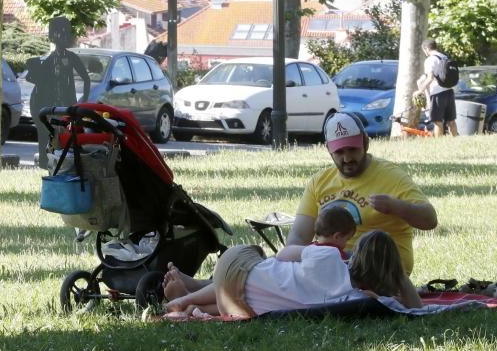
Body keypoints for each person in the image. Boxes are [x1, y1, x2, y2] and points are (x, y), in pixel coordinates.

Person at [285, 112, 437, 277]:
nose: (347, 158)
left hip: (380, 273)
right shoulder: (319, 182)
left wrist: (396, 206)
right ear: (328, 149)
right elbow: (299, 237)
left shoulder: (392, 176)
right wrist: (289, 268)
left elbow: (429, 220)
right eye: (340, 152)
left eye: (353, 149)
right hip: (332, 271)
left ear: (366, 143)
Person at [164, 230, 421, 318]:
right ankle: (190, 296)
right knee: (254, 291)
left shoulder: (329, 255)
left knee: (260, 268)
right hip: (242, 307)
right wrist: (399, 278)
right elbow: (416, 309)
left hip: (236, 265)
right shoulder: (357, 300)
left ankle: (186, 298)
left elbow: (285, 254)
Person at [26, 16, 90, 169]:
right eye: (59, 34)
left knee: (66, 134)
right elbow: (35, 79)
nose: (63, 38)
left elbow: (86, 79)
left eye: (65, 34)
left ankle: (63, 160)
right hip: (48, 104)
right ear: (53, 36)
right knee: (46, 134)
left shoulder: (71, 57)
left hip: (66, 104)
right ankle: (46, 161)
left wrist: (83, 100)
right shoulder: (47, 60)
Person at [278, 205, 355, 261]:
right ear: (337, 236)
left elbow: (280, 255)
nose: (346, 244)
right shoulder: (336, 253)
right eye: (347, 239)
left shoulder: (309, 248)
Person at [418, 38, 458, 136]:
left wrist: (420, 91)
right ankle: (455, 140)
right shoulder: (444, 57)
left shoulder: (430, 60)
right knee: (451, 120)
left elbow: (430, 78)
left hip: (437, 93)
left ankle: (438, 143)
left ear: (426, 49)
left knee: (437, 121)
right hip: (449, 91)